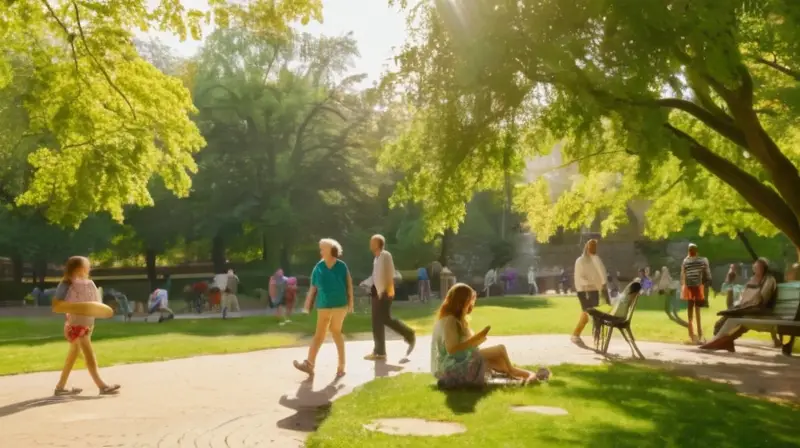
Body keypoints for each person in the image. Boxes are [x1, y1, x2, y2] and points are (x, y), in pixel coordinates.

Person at [431, 283, 550, 388]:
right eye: (469, 302)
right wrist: (476, 340)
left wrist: (476, 341)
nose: (470, 306)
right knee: (500, 349)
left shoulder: (454, 320)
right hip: (452, 369)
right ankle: (518, 375)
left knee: (500, 362)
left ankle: (531, 376)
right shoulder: (450, 321)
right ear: (461, 302)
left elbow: (461, 349)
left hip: (460, 363)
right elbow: (452, 349)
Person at [51, 256, 120, 396]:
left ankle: (60, 387)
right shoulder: (66, 284)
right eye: (86, 266)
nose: (89, 268)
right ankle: (102, 386)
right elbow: (57, 306)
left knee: (72, 356)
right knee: (89, 355)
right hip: (76, 327)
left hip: (86, 325)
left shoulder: (89, 284)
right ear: (78, 268)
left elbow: (95, 305)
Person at [293, 239, 354, 378]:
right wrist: (307, 305)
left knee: (335, 331)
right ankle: (309, 365)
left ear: (331, 250)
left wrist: (351, 303)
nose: (320, 252)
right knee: (319, 335)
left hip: (340, 305)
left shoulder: (342, 266)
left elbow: (349, 284)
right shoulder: (318, 267)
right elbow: (313, 288)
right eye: (321, 249)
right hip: (323, 305)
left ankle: (341, 366)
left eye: (323, 249)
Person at [701, 258, 777, 352]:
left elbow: (762, 298)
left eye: (758, 267)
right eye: (755, 266)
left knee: (731, 318)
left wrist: (748, 304)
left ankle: (716, 342)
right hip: (747, 308)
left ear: (764, 268)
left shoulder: (769, 280)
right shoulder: (753, 279)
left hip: (758, 310)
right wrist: (741, 304)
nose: (756, 268)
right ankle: (720, 342)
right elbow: (745, 295)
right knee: (723, 320)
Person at [364, 234, 416, 361]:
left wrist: (387, 290)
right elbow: (376, 276)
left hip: (384, 293)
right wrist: (367, 283)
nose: (370, 244)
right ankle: (381, 350)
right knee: (382, 320)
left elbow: (390, 273)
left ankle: (407, 334)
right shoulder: (376, 258)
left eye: (372, 242)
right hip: (377, 292)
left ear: (378, 244)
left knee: (380, 320)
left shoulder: (385, 255)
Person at [571, 239, 607, 345]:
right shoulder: (580, 261)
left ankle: (596, 335)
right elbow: (579, 277)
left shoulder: (595, 259)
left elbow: (602, 272)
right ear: (587, 247)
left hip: (594, 290)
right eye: (591, 247)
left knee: (594, 314)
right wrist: (588, 285)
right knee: (587, 313)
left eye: (595, 247)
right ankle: (576, 334)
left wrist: (603, 285)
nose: (593, 249)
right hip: (583, 290)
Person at [681, 243, 712, 344]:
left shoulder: (686, 261)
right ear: (696, 251)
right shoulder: (701, 260)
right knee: (697, 310)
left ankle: (692, 334)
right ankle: (699, 333)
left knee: (690, 311)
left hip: (689, 287)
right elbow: (705, 272)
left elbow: (684, 273)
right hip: (697, 286)